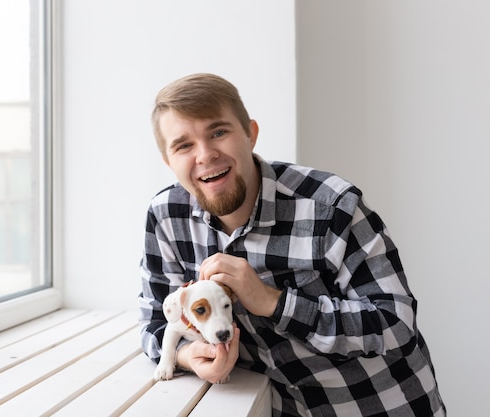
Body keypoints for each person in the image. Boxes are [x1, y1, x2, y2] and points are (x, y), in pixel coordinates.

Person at [138, 73, 446, 417]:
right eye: (183, 146)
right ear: (168, 162)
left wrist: (274, 302)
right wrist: (185, 356)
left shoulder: (332, 206)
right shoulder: (166, 217)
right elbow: (154, 321)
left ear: (250, 134)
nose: (205, 155)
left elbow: (396, 324)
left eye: (218, 132)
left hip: (379, 407)